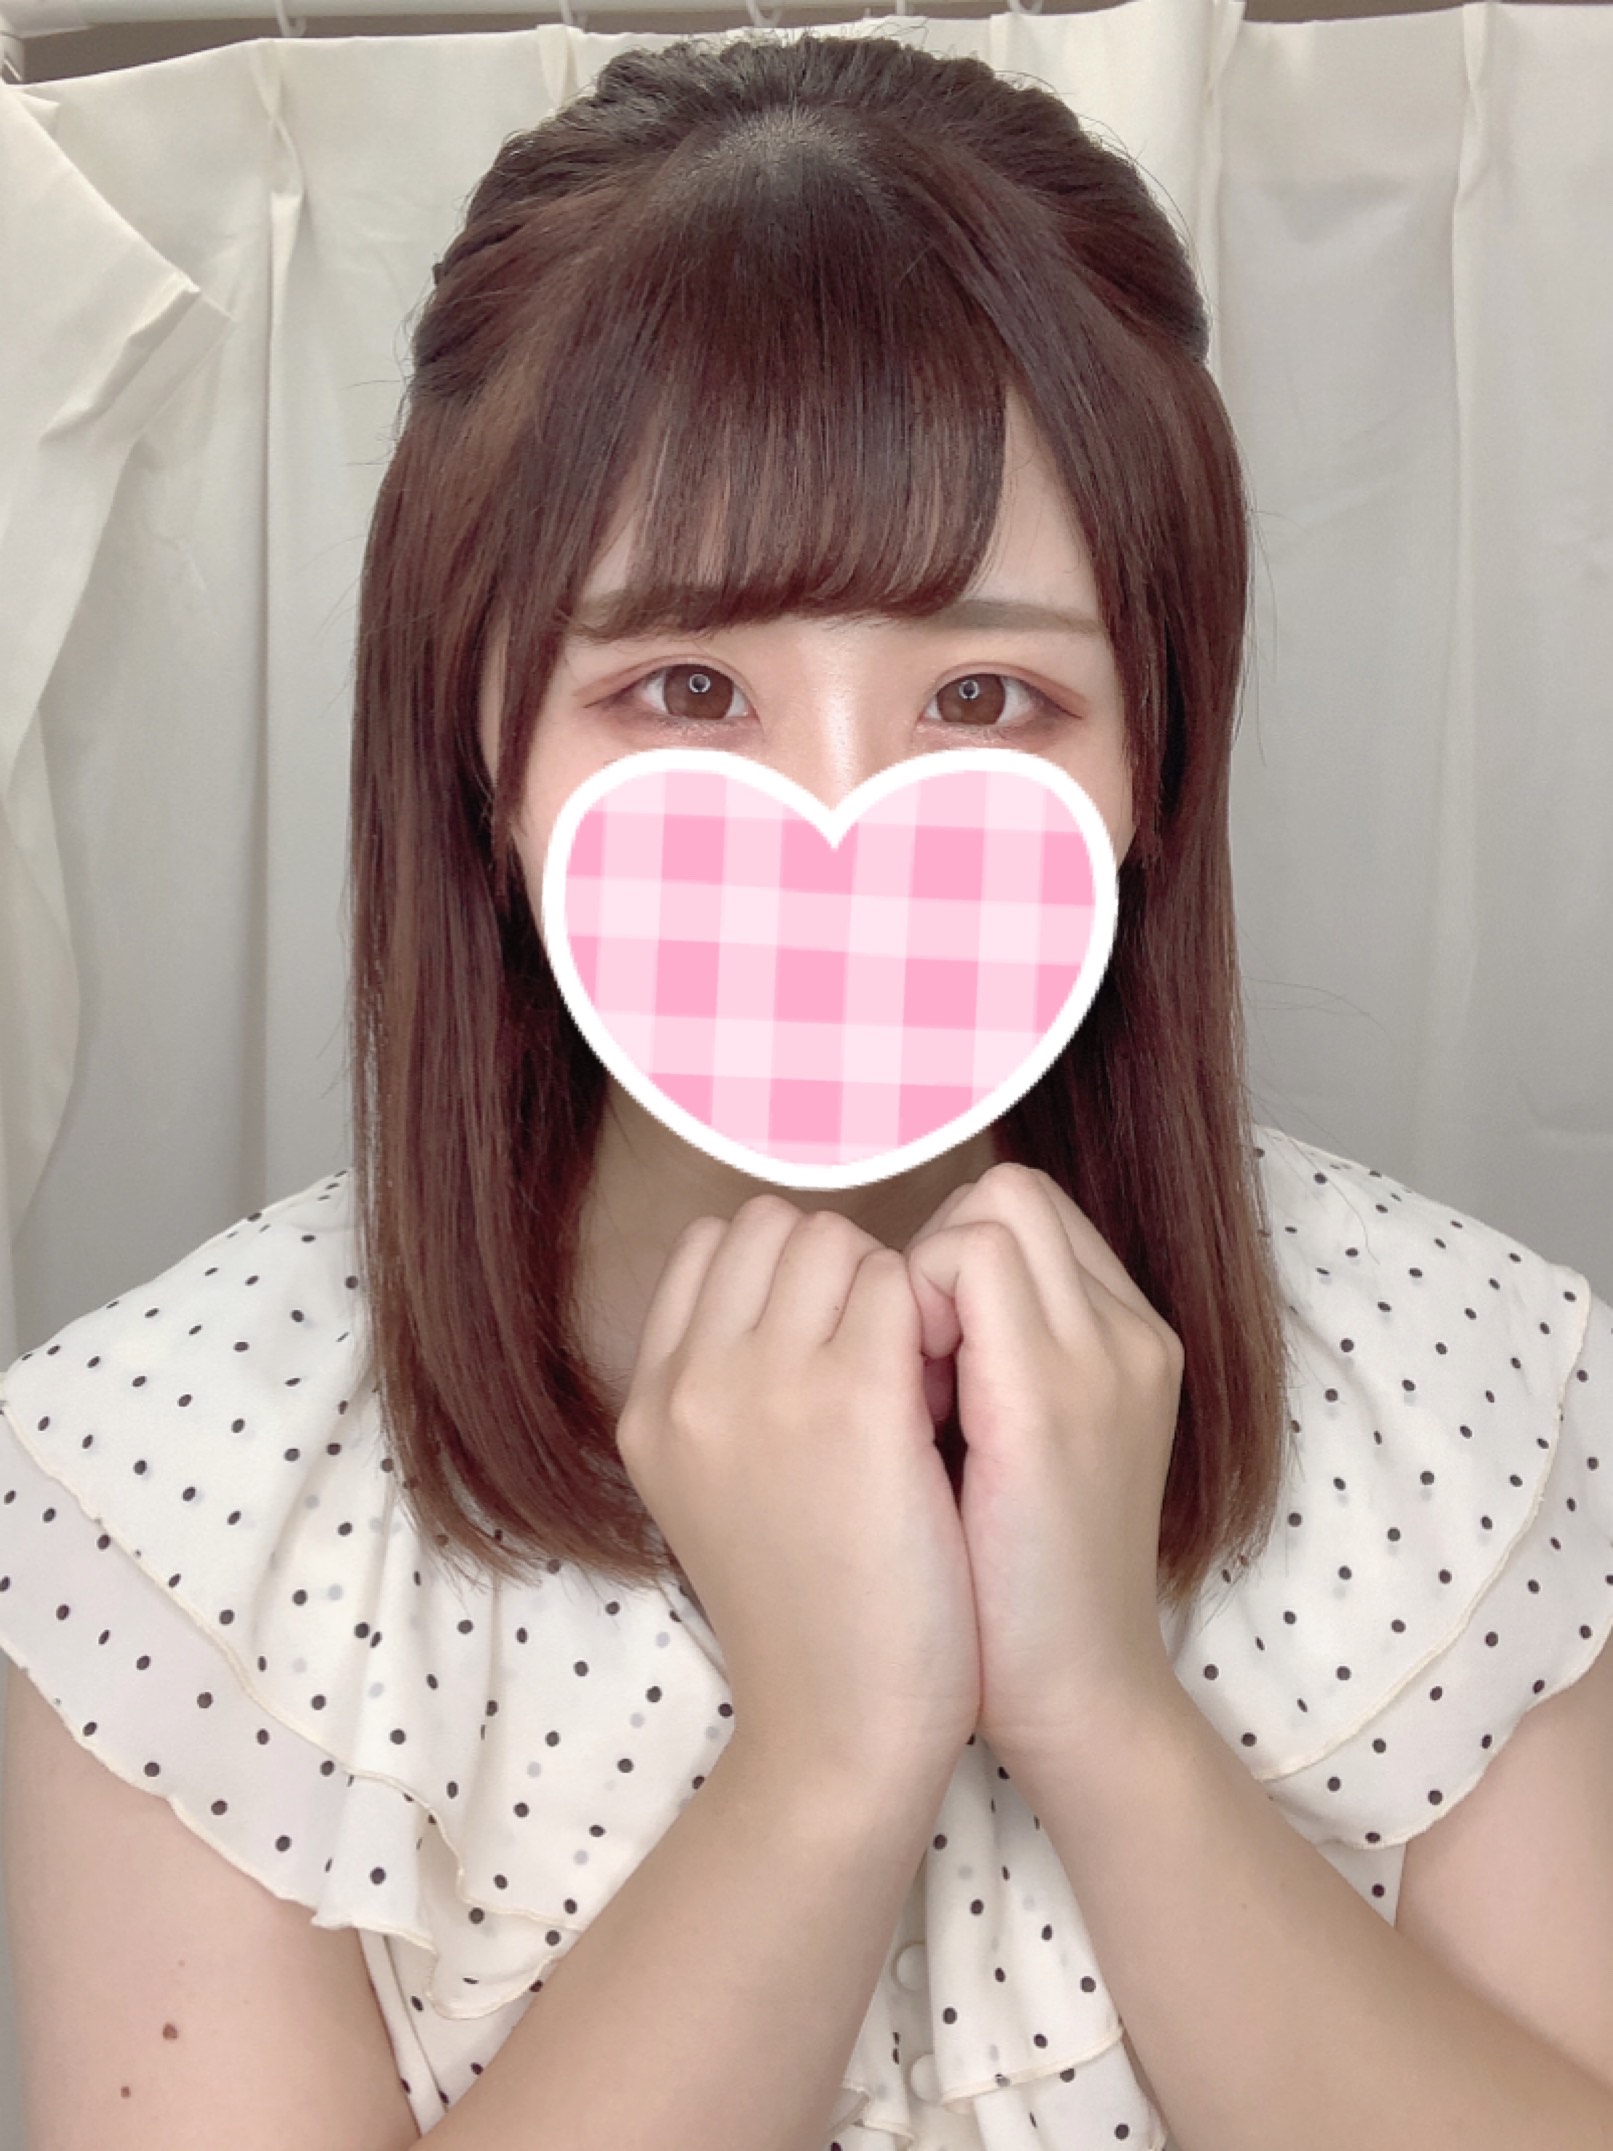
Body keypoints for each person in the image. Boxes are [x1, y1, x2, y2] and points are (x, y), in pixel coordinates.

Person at [3, 29, 1610, 2151]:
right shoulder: (168, 1494)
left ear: (1155, 759)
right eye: (684, 685)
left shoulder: (1461, 1379)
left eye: (986, 694)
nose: (839, 812)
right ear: (476, 740)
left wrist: (1107, 1718)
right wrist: (827, 1764)